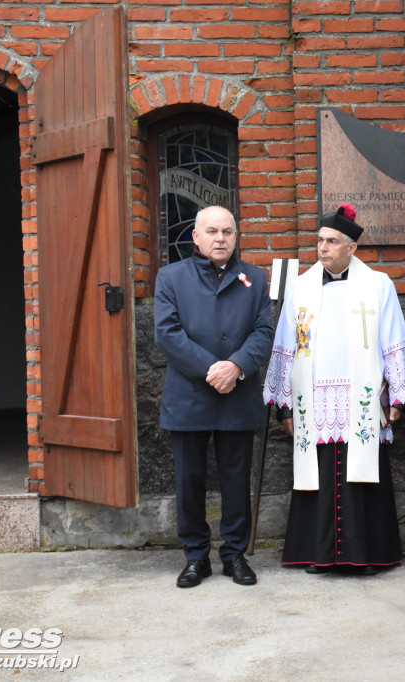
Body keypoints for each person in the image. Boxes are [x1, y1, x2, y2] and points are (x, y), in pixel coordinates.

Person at [263, 203, 405, 575]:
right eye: (319, 241)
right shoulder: (299, 288)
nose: (323, 248)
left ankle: (365, 554)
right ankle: (318, 554)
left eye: (332, 241)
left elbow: (393, 339)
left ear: (351, 248)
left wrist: (398, 397)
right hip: (313, 400)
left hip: (360, 399)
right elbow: (285, 345)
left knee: (361, 475)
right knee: (316, 475)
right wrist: (286, 406)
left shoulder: (377, 284)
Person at [154, 205, 275, 588]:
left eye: (227, 231)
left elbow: (263, 332)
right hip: (189, 396)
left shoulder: (254, 278)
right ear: (196, 236)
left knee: (236, 479)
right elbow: (167, 334)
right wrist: (213, 369)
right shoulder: (171, 277)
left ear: (236, 237)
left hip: (238, 395)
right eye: (212, 231)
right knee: (189, 479)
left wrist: (236, 366)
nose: (220, 238)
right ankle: (195, 557)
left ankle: (234, 555)